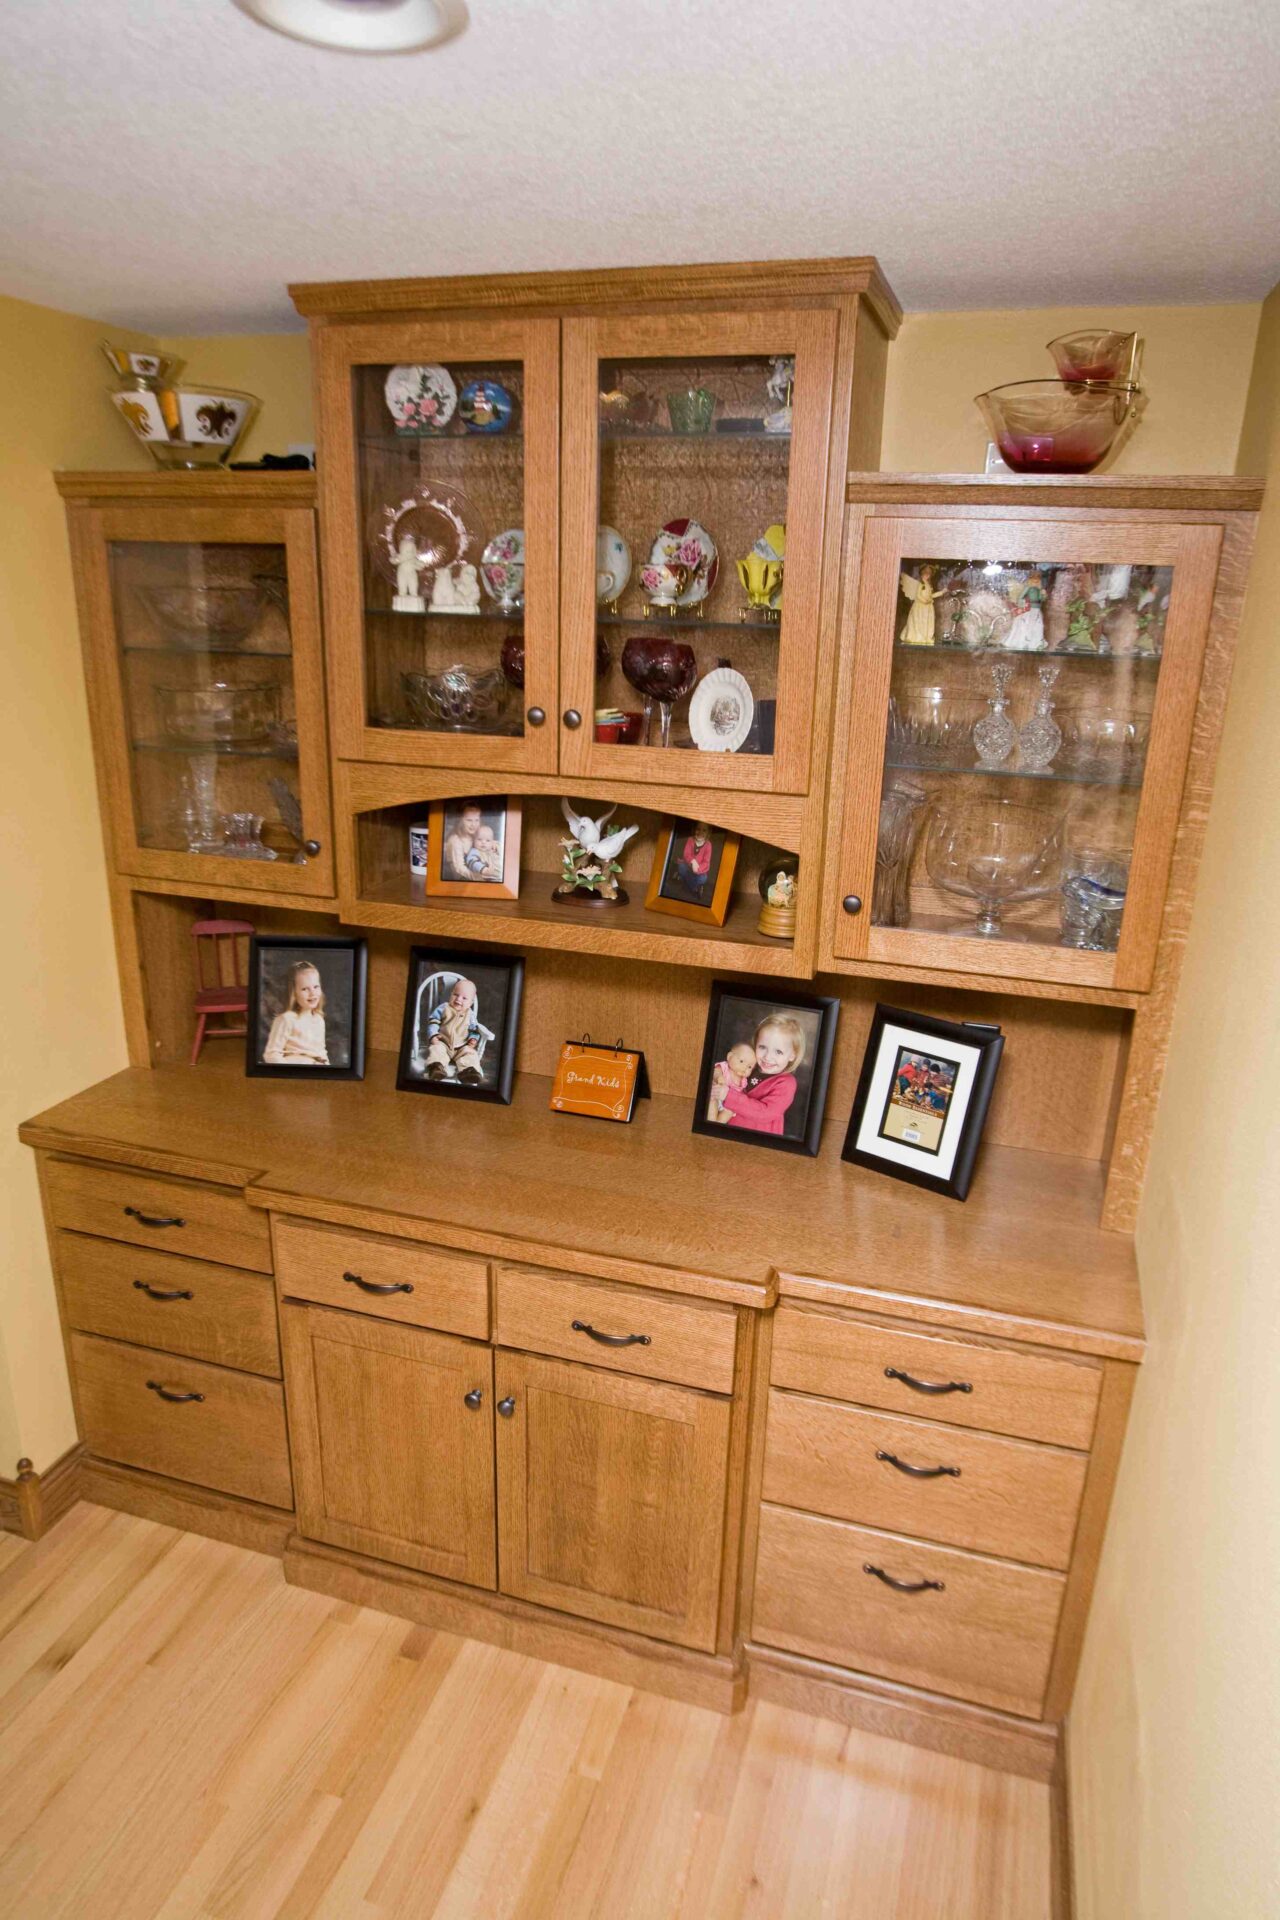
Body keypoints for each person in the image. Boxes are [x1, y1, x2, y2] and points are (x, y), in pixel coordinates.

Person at [711, 1013, 805, 1135]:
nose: (767, 1057)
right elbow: (724, 1069)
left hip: (757, 1141)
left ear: (793, 1055)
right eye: (762, 1047)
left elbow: (765, 1113)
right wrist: (718, 1077)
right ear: (755, 1044)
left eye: (778, 1051)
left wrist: (728, 1095)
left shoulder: (786, 1083)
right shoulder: (749, 1066)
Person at [262, 960, 329, 1067]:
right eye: (304, 989)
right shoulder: (286, 1019)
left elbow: (322, 1052)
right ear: (294, 993)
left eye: (316, 987)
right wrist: (290, 1072)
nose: (312, 993)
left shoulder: (319, 1020)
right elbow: (271, 1054)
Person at [423, 977, 485, 1084]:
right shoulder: (443, 1008)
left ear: (471, 1002)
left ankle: (468, 1072)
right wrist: (433, 1036)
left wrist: (473, 1039)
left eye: (464, 998)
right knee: (437, 1050)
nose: (458, 999)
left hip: (462, 1047)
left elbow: (474, 1029)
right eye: (455, 995)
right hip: (443, 1043)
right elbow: (433, 1022)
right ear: (451, 994)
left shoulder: (470, 1014)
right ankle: (436, 1068)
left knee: (471, 1054)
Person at [708, 1039, 756, 1124]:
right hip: (716, 1096)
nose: (744, 1067)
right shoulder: (725, 1067)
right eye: (741, 1061)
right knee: (711, 1099)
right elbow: (715, 1071)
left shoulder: (744, 1081)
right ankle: (711, 1122)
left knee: (730, 1111)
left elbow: (742, 1093)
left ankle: (718, 1124)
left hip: (728, 1104)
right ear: (729, 1057)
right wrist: (718, 1077)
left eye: (749, 1067)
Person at [443, 802, 483, 880]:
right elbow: (459, 868)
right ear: (460, 820)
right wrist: (480, 878)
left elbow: (491, 843)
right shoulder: (455, 840)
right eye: (469, 820)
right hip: (462, 880)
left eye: (476, 820)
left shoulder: (476, 836)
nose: (473, 825)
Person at [676, 823, 714, 901]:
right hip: (688, 867)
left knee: (703, 878)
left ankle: (686, 883)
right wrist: (692, 861)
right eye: (698, 829)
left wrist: (698, 869)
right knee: (681, 867)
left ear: (708, 833)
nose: (700, 832)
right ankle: (694, 888)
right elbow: (686, 854)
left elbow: (706, 863)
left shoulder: (708, 845)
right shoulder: (690, 840)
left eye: (704, 830)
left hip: (699, 872)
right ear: (694, 830)